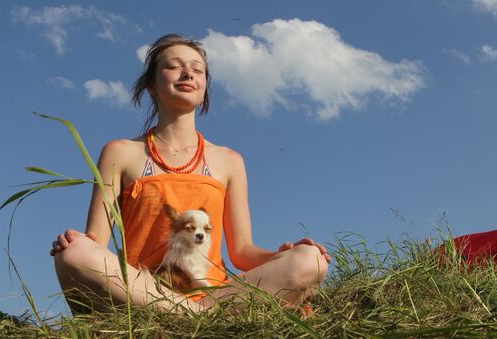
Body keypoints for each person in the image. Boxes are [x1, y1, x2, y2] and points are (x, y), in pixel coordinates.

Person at [50, 33, 330, 313]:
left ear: (204, 86)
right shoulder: (120, 152)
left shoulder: (229, 160)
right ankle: (193, 318)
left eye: (198, 70)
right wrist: (76, 242)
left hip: (215, 297)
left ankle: (192, 315)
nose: (188, 73)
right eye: (174, 66)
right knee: (74, 254)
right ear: (151, 84)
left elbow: (243, 252)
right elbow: (96, 239)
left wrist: (281, 255)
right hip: (143, 294)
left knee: (310, 259)